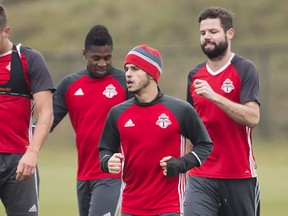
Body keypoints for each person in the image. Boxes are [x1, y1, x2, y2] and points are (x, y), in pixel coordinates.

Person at [98, 44, 213, 216]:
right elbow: (105, 149)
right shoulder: (117, 113)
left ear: (151, 74)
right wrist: (107, 162)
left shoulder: (181, 110)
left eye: (135, 69)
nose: (128, 74)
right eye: (127, 69)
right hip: (130, 207)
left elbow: (205, 145)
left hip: (170, 207)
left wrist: (181, 164)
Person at [185, 7, 261, 216]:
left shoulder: (245, 69)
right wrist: (184, 166)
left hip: (239, 175)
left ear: (230, 33)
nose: (207, 37)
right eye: (203, 33)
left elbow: (252, 117)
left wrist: (215, 96)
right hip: (201, 174)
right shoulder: (195, 75)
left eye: (213, 31)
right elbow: (192, 128)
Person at [50, 24, 132, 216]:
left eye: (107, 58)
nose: (102, 63)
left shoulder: (125, 82)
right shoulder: (69, 84)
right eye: (96, 58)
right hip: (83, 174)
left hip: (113, 173)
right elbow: (48, 122)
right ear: (85, 54)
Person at [0, 5, 54, 216]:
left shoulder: (29, 60)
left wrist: (31, 152)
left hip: (19, 162)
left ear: (6, 31)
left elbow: (46, 113)